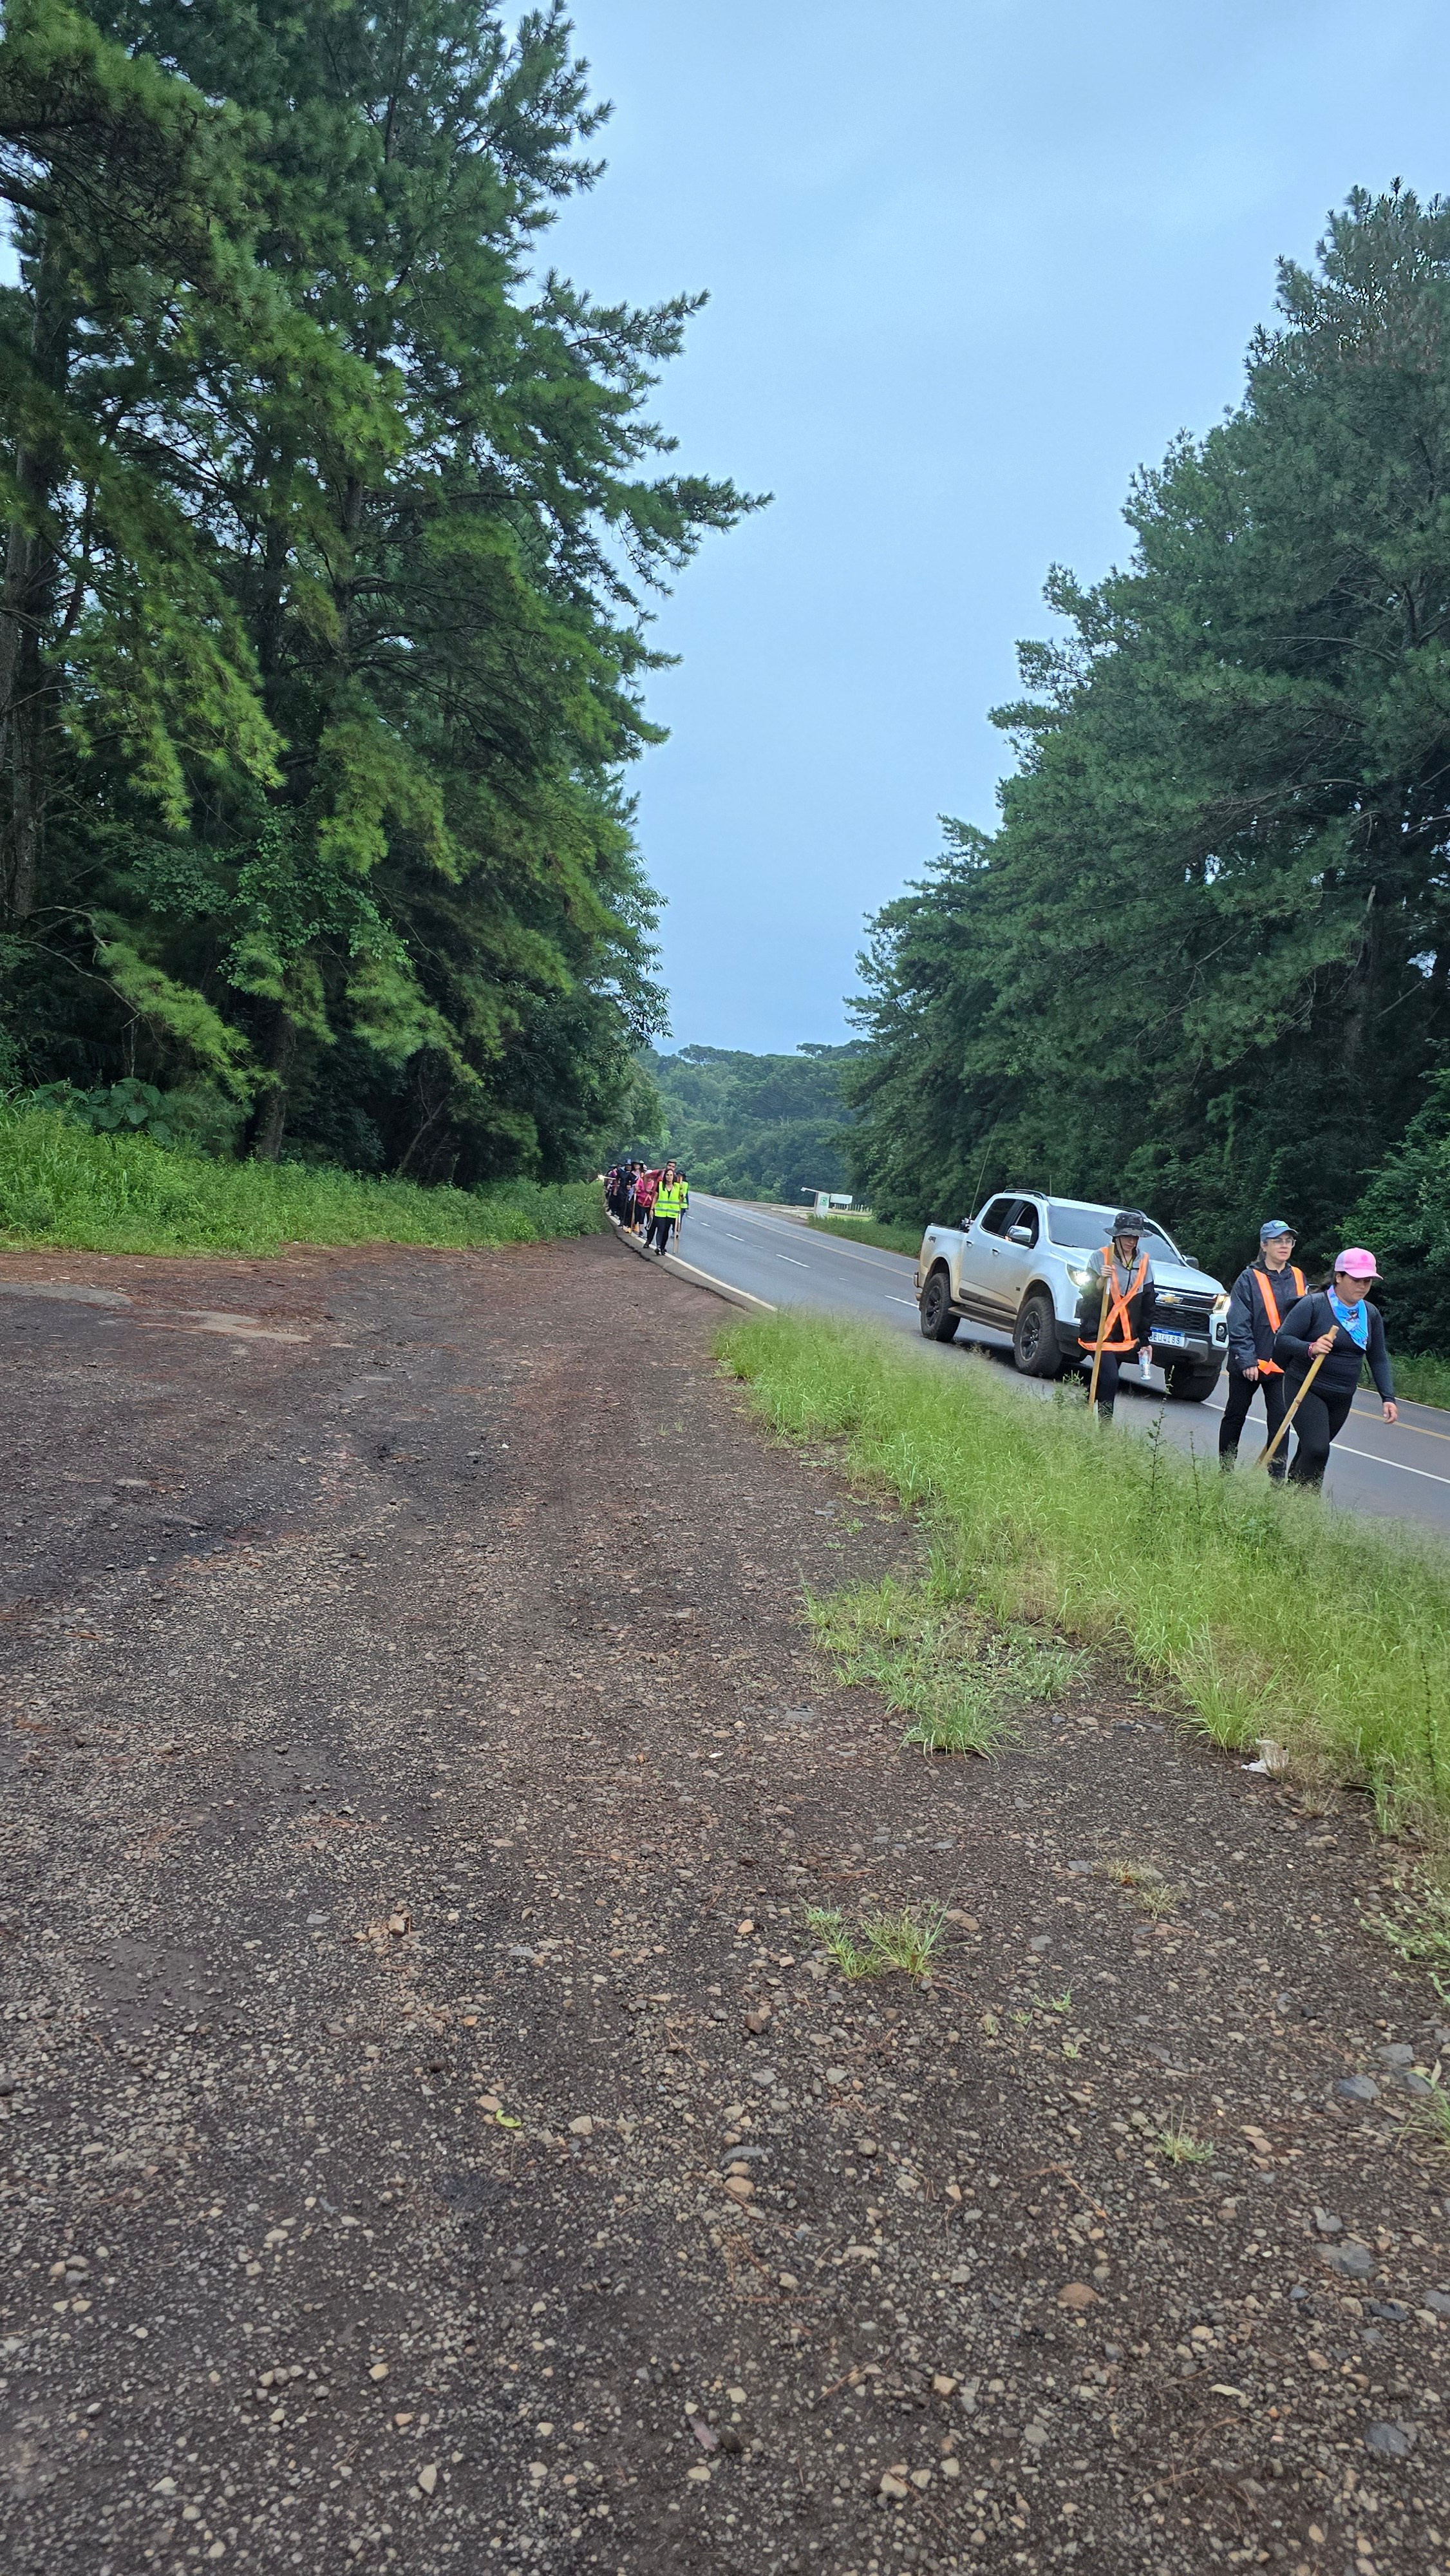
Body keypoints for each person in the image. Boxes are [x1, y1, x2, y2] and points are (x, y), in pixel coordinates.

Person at [1272, 1247, 1397, 1488]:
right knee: (1318, 1449)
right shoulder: (1314, 1305)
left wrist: (1388, 1397)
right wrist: (1311, 1347)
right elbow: (1283, 1339)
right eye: (1356, 1279)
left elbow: (1378, 1357)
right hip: (1306, 1386)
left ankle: (1290, 1504)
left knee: (1311, 1451)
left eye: (1368, 1281)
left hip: (1341, 1395)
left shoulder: (1370, 1315)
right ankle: (1304, 1502)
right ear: (1339, 1277)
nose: (1362, 1286)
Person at [1219, 1219, 1306, 1479]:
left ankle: (1276, 1482)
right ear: (1264, 1245)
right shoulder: (1248, 1279)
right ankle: (1225, 1473)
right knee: (1235, 1415)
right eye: (1278, 1241)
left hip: (1282, 1366)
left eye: (1288, 1241)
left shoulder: (1299, 1277)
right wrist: (1247, 1360)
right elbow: (1238, 1322)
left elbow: (1305, 1320)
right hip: (1250, 1363)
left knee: (1281, 1423)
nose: (1284, 1246)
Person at [1077, 1211, 1157, 1418]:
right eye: (1127, 1236)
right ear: (1117, 1236)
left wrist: (1145, 1338)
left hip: (1124, 1333)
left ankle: (1075, 1412)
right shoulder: (1100, 1257)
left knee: (1103, 1379)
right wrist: (1101, 1280)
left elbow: (1148, 1302)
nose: (1131, 1241)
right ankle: (1105, 1430)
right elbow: (1088, 1295)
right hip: (1099, 1329)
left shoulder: (1145, 1263)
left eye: (1135, 1237)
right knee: (1111, 1378)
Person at [648, 1161, 684, 1256]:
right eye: (667, 1175)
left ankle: (663, 1247)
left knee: (666, 1231)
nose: (669, 1177)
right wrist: (652, 1209)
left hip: (671, 1213)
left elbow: (681, 1200)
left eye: (671, 1175)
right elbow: (655, 1197)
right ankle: (659, 1246)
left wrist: (682, 1196)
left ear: (674, 1176)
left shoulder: (677, 1187)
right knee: (661, 1229)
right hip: (660, 1212)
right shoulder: (660, 1185)